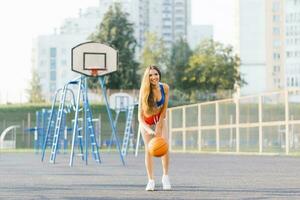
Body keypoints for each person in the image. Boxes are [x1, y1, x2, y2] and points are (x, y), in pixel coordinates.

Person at [138, 65, 171, 191]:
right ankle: (151, 180)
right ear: (147, 77)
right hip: (146, 122)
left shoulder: (165, 88)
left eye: (156, 74)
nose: (154, 77)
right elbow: (140, 118)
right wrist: (149, 129)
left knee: (165, 146)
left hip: (159, 119)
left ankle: (165, 177)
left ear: (159, 75)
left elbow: (164, 110)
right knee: (149, 150)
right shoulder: (144, 91)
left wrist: (159, 126)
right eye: (150, 75)